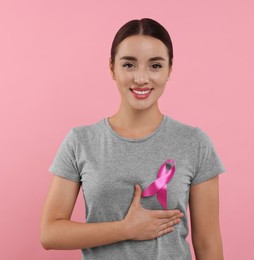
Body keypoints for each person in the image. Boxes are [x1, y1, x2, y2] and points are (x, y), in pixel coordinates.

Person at [40, 18, 226, 260]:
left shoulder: (195, 142)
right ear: (112, 68)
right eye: (129, 65)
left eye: (155, 66)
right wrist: (125, 229)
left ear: (170, 69)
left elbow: (208, 244)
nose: (141, 78)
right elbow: (50, 233)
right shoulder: (80, 141)